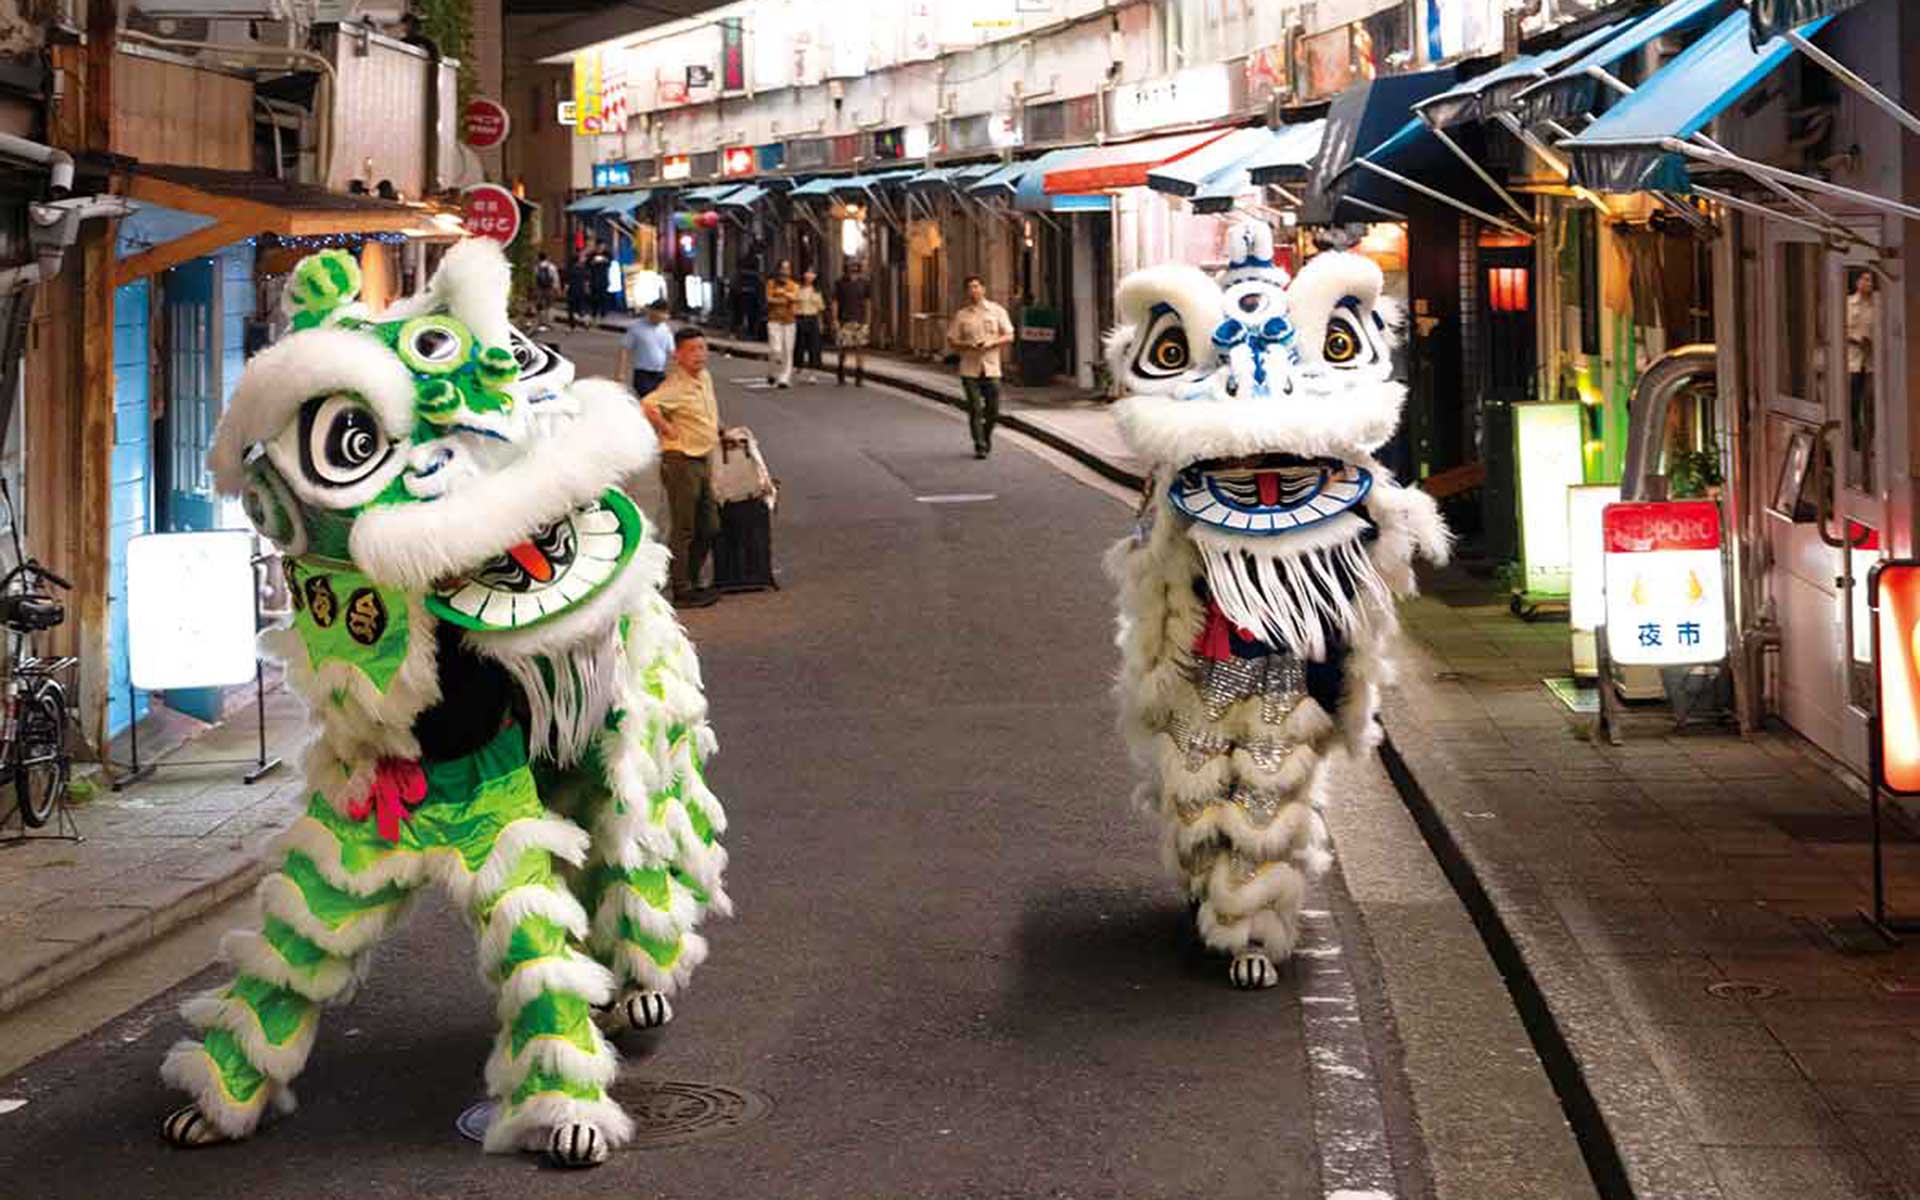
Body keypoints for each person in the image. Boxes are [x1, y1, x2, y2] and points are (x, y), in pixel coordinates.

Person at [641, 328, 723, 608]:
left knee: (710, 525)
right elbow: (647, 405)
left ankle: (691, 577)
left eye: (702, 348)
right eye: (692, 350)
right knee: (684, 527)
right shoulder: (675, 385)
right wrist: (667, 428)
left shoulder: (704, 377)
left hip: (701, 457)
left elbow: (707, 411)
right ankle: (682, 588)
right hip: (681, 460)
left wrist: (719, 430)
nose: (699, 354)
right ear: (678, 355)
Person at [947, 274, 1015, 458]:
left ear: (983, 289)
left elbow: (1010, 335)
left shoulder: (997, 311)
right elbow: (952, 340)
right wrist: (968, 345)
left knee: (993, 410)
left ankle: (985, 436)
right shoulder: (961, 315)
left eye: (976, 286)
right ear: (966, 291)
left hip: (992, 368)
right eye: (970, 287)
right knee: (975, 409)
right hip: (970, 369)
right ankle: (980, 445)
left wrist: (993, 343)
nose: (973, 290)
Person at [618, 298, 675, 399]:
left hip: (659, 373)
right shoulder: (636, 327)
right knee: (648, 399)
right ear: (651, 312)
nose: (660, 320)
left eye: (663, 317)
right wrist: (621, 372)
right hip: (643, 374)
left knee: (659, 402)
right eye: (657, 316)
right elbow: (624, 349)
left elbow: (672, 351)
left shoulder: (665, 329)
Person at [831, 259, 871, 387]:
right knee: (843, 348)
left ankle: (859, 376)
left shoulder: (864, 283)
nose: (852, 269)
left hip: (859, 320)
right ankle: (841, 372)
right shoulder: (840, 283)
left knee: (860, 348)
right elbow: (835, 302)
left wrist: (867, 321)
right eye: (850, 267)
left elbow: (867, 302)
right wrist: (835, 319)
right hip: (844, 320)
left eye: (855, 267)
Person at [764, 258, 799, 389]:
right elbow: (769, 299)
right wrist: (785, 298)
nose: (785, 272)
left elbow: (795, 298)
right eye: (782, 268)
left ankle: (784, 377)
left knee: (788, 350)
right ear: (778, 270)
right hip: (774, 320)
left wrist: (782, 294)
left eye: (787, 268)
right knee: (775, 349)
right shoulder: (771, 283)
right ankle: (772, 372)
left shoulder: (793, 285)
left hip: (789, 321)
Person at [794, 268, 825, 381]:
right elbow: (794, 305)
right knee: (799, 345)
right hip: (800, 318)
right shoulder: (798, 289)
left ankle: (813, 372)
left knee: (814, 346)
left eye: (812, 273)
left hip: (813, 318)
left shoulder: (817, 291)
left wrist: (821, 324)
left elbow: (820, 309)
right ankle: (798, 367)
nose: (810, 276)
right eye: (808, 273)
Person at [532, 251, 560, 331]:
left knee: (539, 305)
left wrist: (534, 288)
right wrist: (557, 288)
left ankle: (540, 321)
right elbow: (555, 277)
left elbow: (534, 278)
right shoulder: (551, 266)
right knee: (549, 305)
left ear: (539, 258)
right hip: (549, 288)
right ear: (546, 257)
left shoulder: (536, 267)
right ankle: (548, 322)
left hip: (539, 288)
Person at [564, 248, 591, 330]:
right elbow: (568, 280)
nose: (585, 258)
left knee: (578, 307)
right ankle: (579, 322)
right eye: (583, 257)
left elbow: (586, 280)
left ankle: (580, 322)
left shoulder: (581, 268)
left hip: (577, 289)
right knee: (577, 307)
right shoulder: (580, 268)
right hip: (576, 289)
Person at [588, 240, 612, 322]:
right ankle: (594, 313)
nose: (601, 248)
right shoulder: (592, 254)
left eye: (602, 246)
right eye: (599, 246)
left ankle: (603, 313)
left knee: (603, 297)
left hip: (603, 278)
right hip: (594, 279)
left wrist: (604, 260)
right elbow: (588, 264)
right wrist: (593, 262)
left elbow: (610, 263)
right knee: (594, 297)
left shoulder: (607, 254)